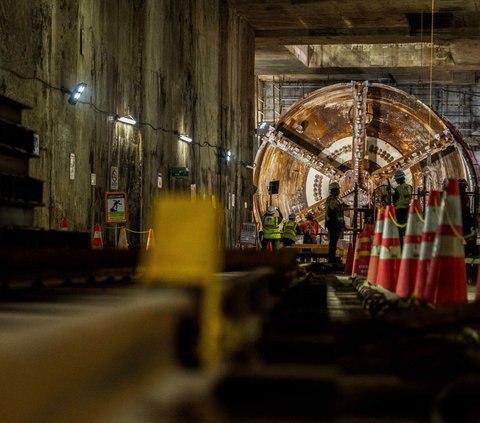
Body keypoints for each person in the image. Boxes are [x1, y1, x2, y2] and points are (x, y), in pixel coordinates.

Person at [325, 181, 346, 263]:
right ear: (334, 190)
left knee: (334, 242)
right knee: (333, 242)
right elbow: (335, 209)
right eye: (337, 190)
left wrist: (342, 224)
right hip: (333, 224)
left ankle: (332, 258)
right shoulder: (331, 200)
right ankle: (331, 259)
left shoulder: (334, 199)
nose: (339, 191)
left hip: (335, 224)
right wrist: (342, 206)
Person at [392, 170, 413, 237]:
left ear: (398, 179)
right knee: (407, 224)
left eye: (396, 180)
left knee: (399, 226)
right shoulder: (410, 187)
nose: (396, 181)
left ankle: (401, 238)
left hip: (399, 209)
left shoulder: (397, 189)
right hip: (407, 208)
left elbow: (395, 200)